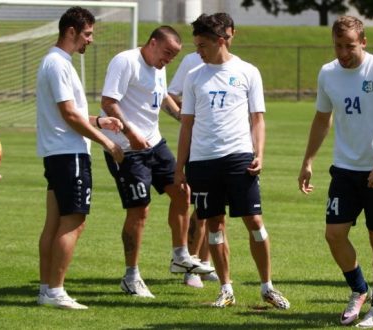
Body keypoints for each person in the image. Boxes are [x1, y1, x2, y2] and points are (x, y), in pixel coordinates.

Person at [298, 16, 373, 327]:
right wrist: (308, 160)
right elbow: (323, 119)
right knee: (334, 235)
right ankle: (359, 289)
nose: (343, 52)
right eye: (338, 45)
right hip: (345, 170)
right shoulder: (328, 73)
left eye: (349, 46)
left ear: (363, 41)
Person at [175, 13, 290, 309]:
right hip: (202, 162)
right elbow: (186, 125)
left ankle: (267, 286)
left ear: (221, 40)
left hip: (239, 157)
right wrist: (180, 168)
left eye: (203, 45)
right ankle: (226, 288)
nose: (198, 51)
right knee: (214, 225)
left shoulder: (248, 71)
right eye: (196, 45)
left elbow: (258, 119)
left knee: (254, 221)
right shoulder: (193, 77)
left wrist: (259, 153)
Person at [100, 25, 213, 299]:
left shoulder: (158, 67)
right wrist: (130, 133)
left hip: (154, 143)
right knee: (140, 211)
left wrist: (186, 120)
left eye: (173, 57)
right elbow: (108, 102)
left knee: (182, 191)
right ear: (152, 43)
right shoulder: (125, 61)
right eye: (166, 54)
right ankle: (131, 276)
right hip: (126, 148)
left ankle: (179, 255)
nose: (168, 61)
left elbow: (162, 98)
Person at [35, 6, 124, 309]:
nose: (90, 40)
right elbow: (69, 114)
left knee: (54, 223)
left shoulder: (55, 62)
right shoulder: (58, 64)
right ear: (71, 32)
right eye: (87, 34)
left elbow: (72, 114)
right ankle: (56, 291)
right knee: (74, 222)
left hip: (57, 152)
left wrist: (100, 122)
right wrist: (107, 143)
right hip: (69, 153)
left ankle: (46, 288)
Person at [167, 12, 235, 289]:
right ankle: (191, 266)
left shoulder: (235, 66)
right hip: (200, 148)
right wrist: (186, 119)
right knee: (202, 211)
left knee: (218, 215)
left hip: (228, 149)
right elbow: (170, 94)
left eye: (230, 32)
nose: (228, 37)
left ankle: (206, 266)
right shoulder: (193, 60)